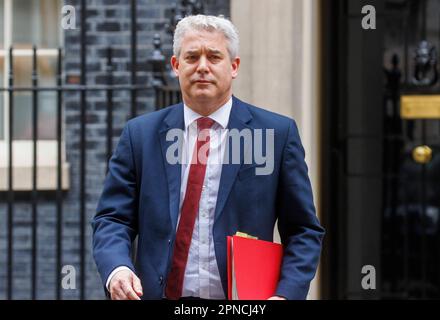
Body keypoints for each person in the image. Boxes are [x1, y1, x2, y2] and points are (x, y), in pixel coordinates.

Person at [92, 14, 325, 300]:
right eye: (192, 57)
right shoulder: (140, 135)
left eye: (214, 57)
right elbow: (113, 219)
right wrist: (118, 268)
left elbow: (303, 231)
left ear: (234, 66)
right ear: (176, 66)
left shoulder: (277, 134)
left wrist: (286, 294)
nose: (202, 67)